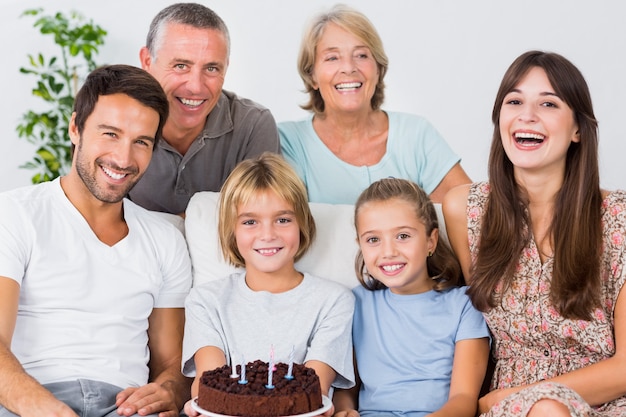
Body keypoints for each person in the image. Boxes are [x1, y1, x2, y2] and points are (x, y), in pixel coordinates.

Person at [0, 65, 192, 417]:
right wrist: (47, 410)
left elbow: (172, 363)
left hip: (123, 406)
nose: (123, 158)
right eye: (110, 134)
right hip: (27, 401)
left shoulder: (166, 241)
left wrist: (169, 390)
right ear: (76, 128)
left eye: (141, 142)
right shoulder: (14, 215)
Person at [443, 50, 626, 416]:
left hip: (606, 401)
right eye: (514, 101)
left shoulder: (618, 217)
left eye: (548, 103)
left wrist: (527, 393)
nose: (527, 115)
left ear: (577, 129)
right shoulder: (465, 208)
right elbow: (477, 323)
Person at [181, 152, 355, 416]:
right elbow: (208, 385)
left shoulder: (334, 301)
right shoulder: (205, 301)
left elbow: (313, 391)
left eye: (283, 220)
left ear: (302, 224)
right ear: (232, 231)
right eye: (250, 222)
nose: (268, 234)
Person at [278, 4, 470, 205]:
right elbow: (280, 224)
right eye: (332, 57)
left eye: (361, 55)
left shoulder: (416, 135)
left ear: (378, 70)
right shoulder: (288, 142)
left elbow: (471, 214)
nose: (349, 68)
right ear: (312, 76)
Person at [333, 178, 490, 417]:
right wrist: (345, 411)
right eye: (373, 239)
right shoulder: (356, 303)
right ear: (360, 245)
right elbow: (347, 388)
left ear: (431, 240)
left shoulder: (463, 306)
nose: (388, 252)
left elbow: (464, 400)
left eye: (403, 236)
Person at [129, 2, 280, 215]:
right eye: (181, 66)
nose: (195, 87)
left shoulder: (253, 125)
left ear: (226, 68)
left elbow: (258, 220)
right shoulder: (120, 121)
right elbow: (102, 218)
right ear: (147, 61)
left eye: (211, 68)